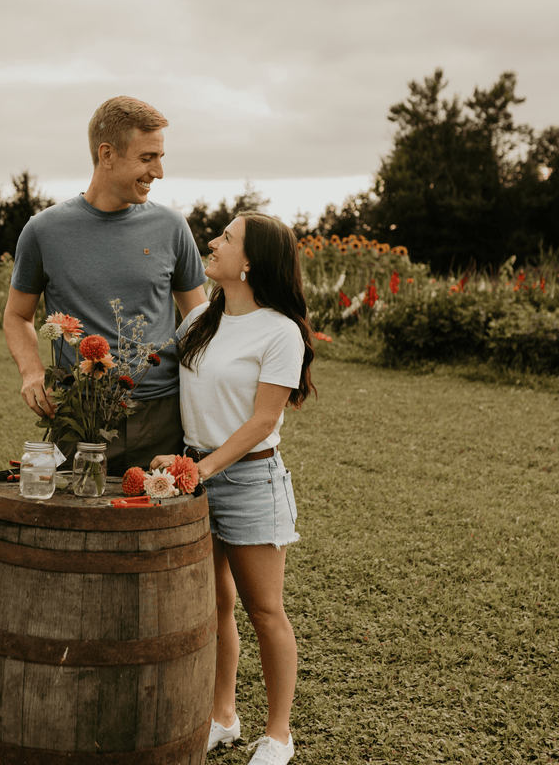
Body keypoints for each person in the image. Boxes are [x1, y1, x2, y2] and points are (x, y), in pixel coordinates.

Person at [151, 211, 315, 765]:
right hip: (196, 475)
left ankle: (279, 736)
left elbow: (263, 420)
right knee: (216, 604)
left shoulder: (281, 331)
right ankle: (223, 718)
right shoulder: (201, 318)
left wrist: (203, 469)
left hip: (248, 480)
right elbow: (161, 373)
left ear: (250, 261)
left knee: (264, 610)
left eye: (226, 237)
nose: (212, 243)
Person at [3, 96, 207, 475]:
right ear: (107, 154)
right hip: (80, 414)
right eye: (147, 158)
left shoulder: (172, 227)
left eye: (160, 157)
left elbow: (199, 318)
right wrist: (31, 372)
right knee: (77, 510)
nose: (159, 171)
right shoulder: (43, 231)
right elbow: (17, 315)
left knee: (161, 514)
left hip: (164, 413)